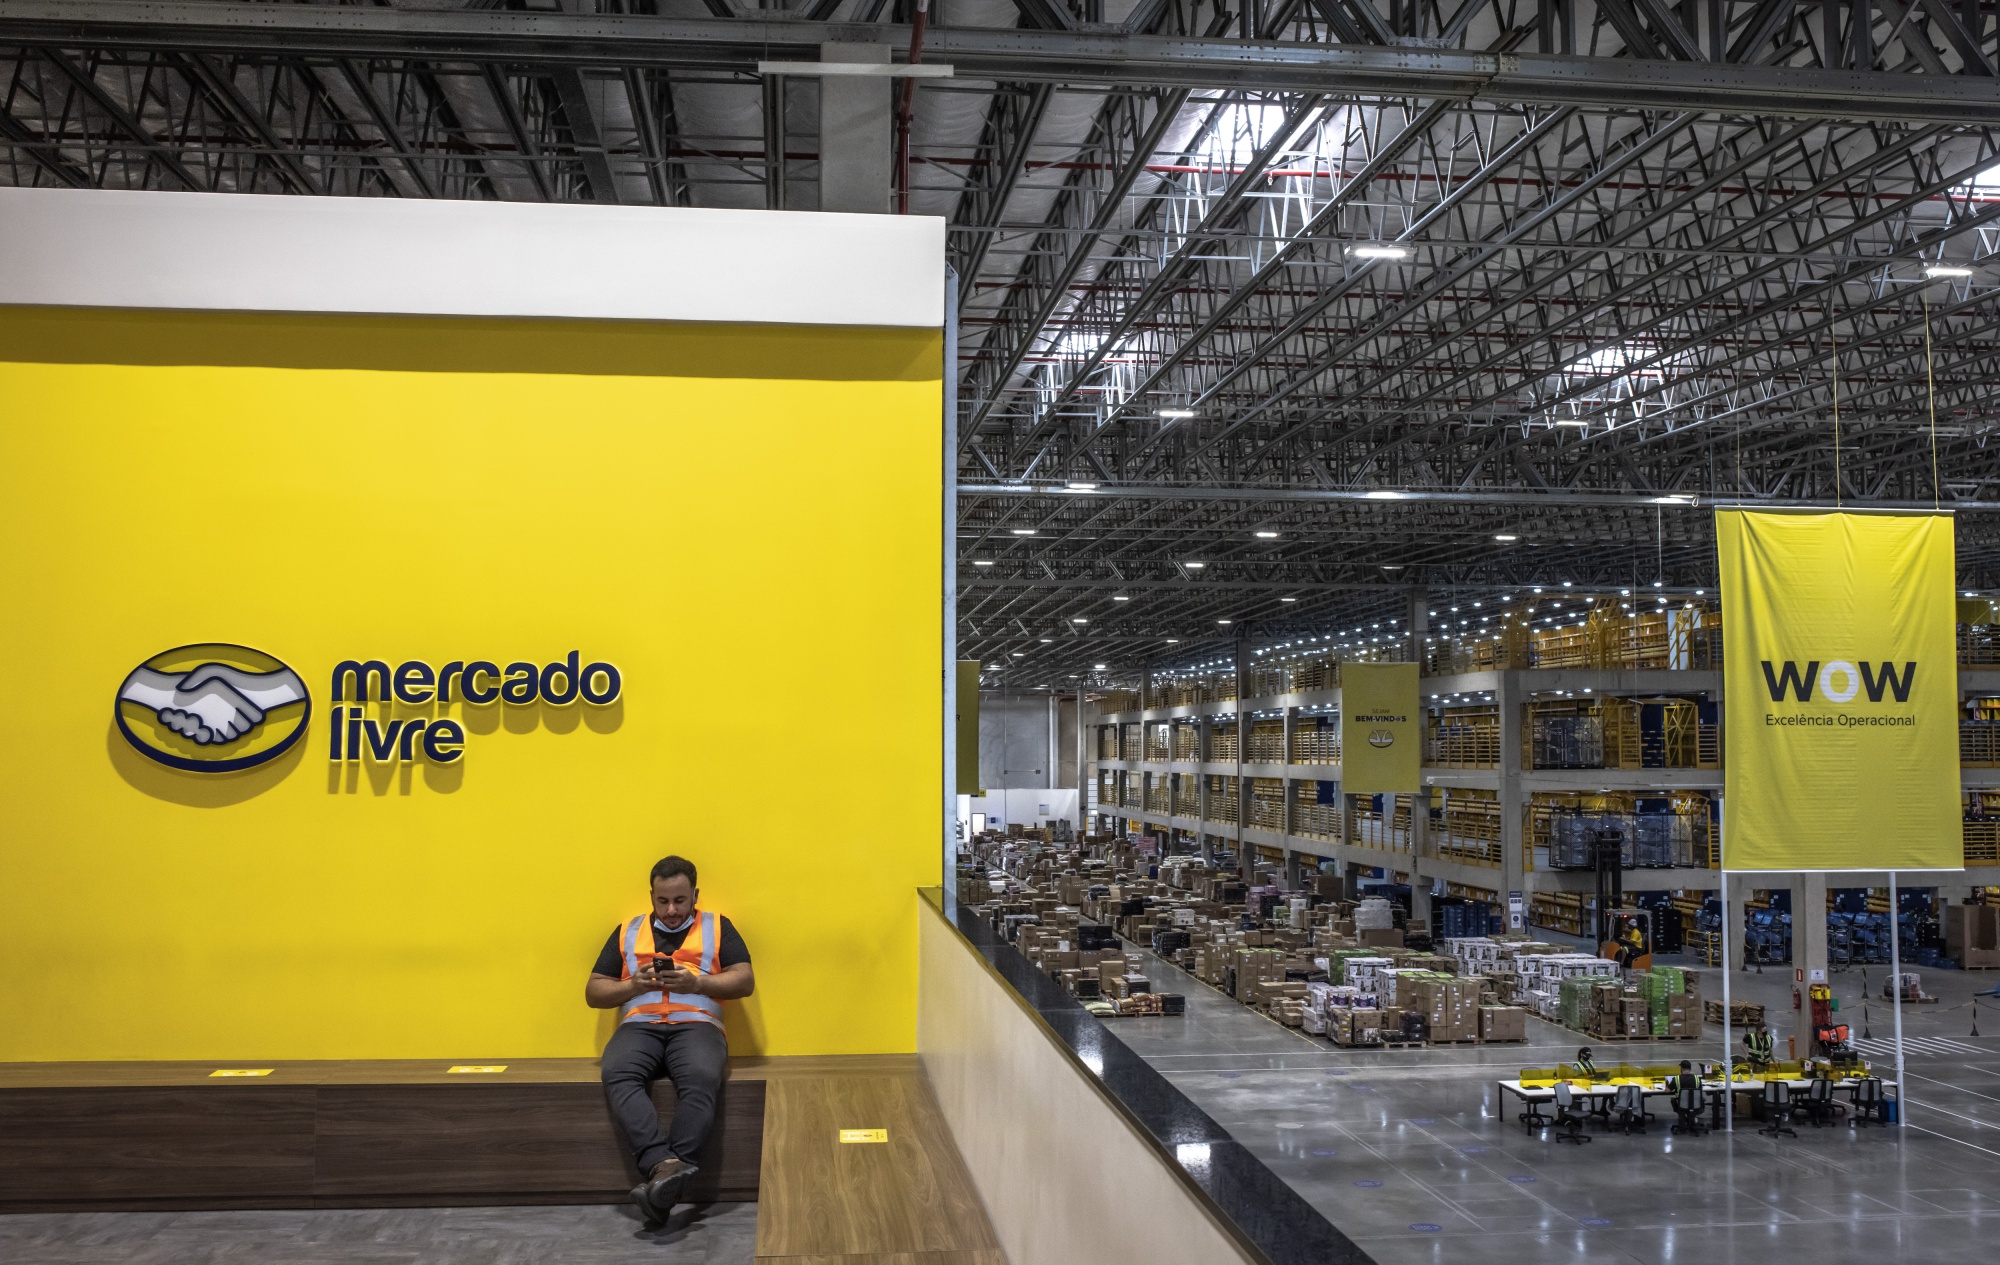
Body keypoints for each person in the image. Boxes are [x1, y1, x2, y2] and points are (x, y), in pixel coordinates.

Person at [587, 856, 755, 1227]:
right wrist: (632, 985)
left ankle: (662, 1176)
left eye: (680, 900)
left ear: (695, 894)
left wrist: (699, 983)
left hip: (697, 1025)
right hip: (639, 1026)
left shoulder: (718, 927)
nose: (672, 909)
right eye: (663, 901)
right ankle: (665, 1166)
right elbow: (594, 991)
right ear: (652, 896)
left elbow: (744, 980)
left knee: (701, 1075)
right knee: (616, 1070)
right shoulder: (628, 931)